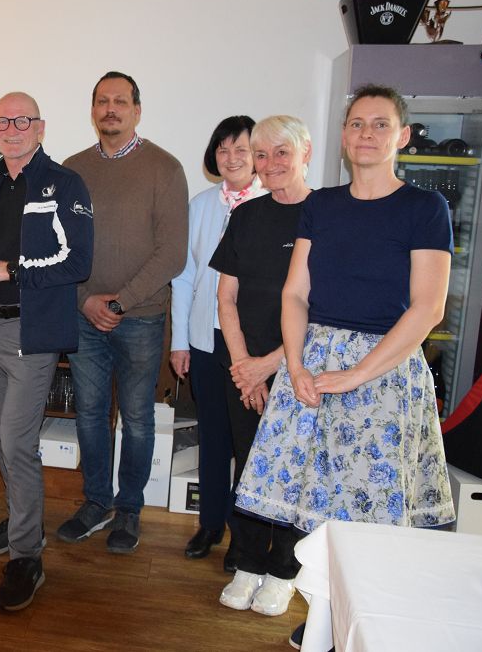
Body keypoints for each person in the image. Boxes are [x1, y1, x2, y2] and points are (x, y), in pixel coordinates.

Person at [232, 87, 455, 643]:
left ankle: (368, 628)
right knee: (316, 511)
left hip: (385, 371)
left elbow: (428, 308)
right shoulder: (323, 205)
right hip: (313, 364)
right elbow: (295, 294)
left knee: (371, 514)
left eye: (380, 124)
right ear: (343, 136)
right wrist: (296, 366)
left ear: (402, 136)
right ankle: (328, 620)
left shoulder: (424, 208)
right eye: (356, 123)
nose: (366, 134)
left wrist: (355, 375)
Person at [0, 92, 93, 611]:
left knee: (15, 441)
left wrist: (6, 270)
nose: (11, 129)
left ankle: (27, 556)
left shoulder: (64, 184)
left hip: (31, 335)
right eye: (2, 121)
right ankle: (21, 520)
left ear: (41, 128)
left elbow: (77, 262)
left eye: (22, 120)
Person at [58, 71, 188, 554]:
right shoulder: (72, 169)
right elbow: (57, 245)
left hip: (142, 317)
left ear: (137, 110)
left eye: (120, 101)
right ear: (93, 110)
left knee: (136, 418)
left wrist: (119, 302)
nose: (110, 108)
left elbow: (172, 254)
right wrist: (85, 300)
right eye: (101, 101)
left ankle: (129, 508)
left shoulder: (165, 168)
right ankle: (96, 502)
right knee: (90, 415)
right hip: (84, 316)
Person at [209, 115, 312, 616]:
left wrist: (271, 365)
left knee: (292, 470)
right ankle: (248, 563)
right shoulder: (246, 215)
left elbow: (323, 309)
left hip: (300, 369)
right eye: (262, 154)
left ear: (305, 152)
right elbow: (225, 298)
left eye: (281, 153)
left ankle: (284, 571)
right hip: (244, 365)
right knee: (249, 465)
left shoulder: (326, 214)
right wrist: (243, 366)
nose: (270, 164)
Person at [170, 115, 259, 570]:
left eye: (241, 148)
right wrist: (180, 340)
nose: (231, 157)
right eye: (223, 149)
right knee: (213, 436)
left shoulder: (271, 202)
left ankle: (244, 537)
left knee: (250, 443)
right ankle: (209, 524)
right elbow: (185, 278)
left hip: (252, 346)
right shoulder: (201, 205)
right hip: (205, 339)